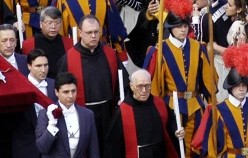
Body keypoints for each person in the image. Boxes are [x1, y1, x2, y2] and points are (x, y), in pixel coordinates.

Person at [144, 0, 217, 158]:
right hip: (171, 107)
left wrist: (212, 105)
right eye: (178, 27)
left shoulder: (199, 47)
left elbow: (207, 80)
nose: (183, 30)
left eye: (185, 26)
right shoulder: (158, 51)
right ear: (170, 28)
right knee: (173, 149)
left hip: (196, 106)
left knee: (199, 149)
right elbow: (154, 85)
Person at [192, 45, 248, 157]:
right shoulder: (217, 110)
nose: (241, 89)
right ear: (230, 88)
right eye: (237, 86)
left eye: (244, 85)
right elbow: (209, 146)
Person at [56, 15, 129, 154]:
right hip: (83, 114)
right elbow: (60, 88)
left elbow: (124, 82)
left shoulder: (110, 54)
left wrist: (121, 98)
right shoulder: (69, 58)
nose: (94, 36)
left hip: (109, 112)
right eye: (89, 32)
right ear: (80, 32)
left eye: (97, 31)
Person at [105, 70, 183, 157]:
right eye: (140, 86)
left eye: (147, 86)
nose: (144, 90)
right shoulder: (123, 110)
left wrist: (176, 131)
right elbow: (114, 144)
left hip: (160, 152)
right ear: (132, 86)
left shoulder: (159, 103)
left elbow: (171, 124)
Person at [35, 72, 99, 158]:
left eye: (73, 91)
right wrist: (52, 124)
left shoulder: (88, 114)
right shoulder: (45, 114)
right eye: (66, 92)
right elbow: (42, 148)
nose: (71, 96)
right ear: (56, 92)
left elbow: (93, 150)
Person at [13, 49, 58, 157]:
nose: (43, 70)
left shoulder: (55, 84)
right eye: (38, 66)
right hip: (27, 146)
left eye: (46, 65)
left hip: (52, 145)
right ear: (29, 66)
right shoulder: (19, 88)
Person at [21, 7, 74, 80]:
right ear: (41, 24)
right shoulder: (28, 44)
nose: (53, 26)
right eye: (49, 22)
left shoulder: (69, 43)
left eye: (57, 23)